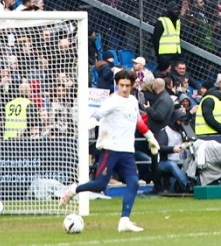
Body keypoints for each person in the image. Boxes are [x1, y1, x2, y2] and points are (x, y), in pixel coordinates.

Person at [60, 69, 156, 233]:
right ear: (117, 85)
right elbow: (98, 114)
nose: (124, 88)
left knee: (133, 182)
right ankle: (74, 190)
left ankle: (124, 220)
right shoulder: (113, 100)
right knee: (100, 185)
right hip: (111, 149)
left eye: (127, 85)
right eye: (121, 85)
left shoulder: (133, 101)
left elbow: (138, 121)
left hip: (127, 151)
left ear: (132, 85)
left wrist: (150, 137)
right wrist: (90, 123)